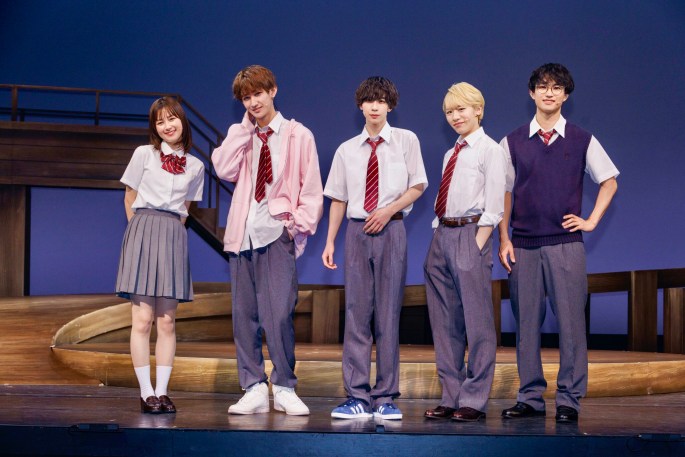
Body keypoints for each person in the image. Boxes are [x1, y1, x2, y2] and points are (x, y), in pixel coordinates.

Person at [498, 63, 619, 423]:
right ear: (532, 93)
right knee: (526, 326)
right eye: (542, 86)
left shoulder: (582, 139)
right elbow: (504, 192)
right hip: (523, 245)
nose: (549, 93)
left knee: (571, 325)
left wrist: (591, 220)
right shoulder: (512, 141)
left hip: (566, 245)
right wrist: (504, 238)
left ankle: (569, 399)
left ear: (566, 95)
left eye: (556, 87)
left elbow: (609, 180)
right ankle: (530, 397)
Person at [212, 65, 323, 416]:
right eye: (246, 98)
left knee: (278, 315)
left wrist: (295, 226)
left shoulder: (297, 135)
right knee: (243, 317)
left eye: (258, 94)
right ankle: (254, 387)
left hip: (275, 234)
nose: (253, 102)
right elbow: (222, 168)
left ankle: (285, 386)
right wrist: (244, 129)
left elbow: (311, 188)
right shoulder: (243, 134)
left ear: (273, 91)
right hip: (241, 235)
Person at [322, 76, 427, 420]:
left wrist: (388, 211)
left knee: (388, 314)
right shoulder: (346, 149)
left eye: (381, 101)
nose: (375, 106)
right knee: (356, 313)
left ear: (390, 105)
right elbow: (338, 198)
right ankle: (356, 395)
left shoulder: (406, 141)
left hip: (391, 229)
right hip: (356, 231)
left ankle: (385, 396)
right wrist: (330, 241)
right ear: (360, 106)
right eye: (369, 101)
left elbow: (418, 185)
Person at [116, 97, 205, 414]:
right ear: (154, 127)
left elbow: (186, 210)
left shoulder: (196, 166)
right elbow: (129, 197)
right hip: (143, 228)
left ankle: (163, 392)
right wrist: (136, 234)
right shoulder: (144, 154)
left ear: (182, 121)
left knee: (167, 321)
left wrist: (171, 236)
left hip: (173, 234)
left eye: (172, 119)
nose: (167, 126)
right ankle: (146, 393)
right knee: (142, 320)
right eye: (160, 121)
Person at [423, 82, 506, 422]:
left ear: (478, 110)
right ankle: (451, 395)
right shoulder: (451, 153)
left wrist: (477, 243)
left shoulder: (490, 150)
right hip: (443, 234)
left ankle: (474, 398)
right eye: (449, 112)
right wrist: (437, 232)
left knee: (477, 322)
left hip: (471, 234)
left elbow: (495, 204)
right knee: (444, 324)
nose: (455, 116)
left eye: (461, 109)